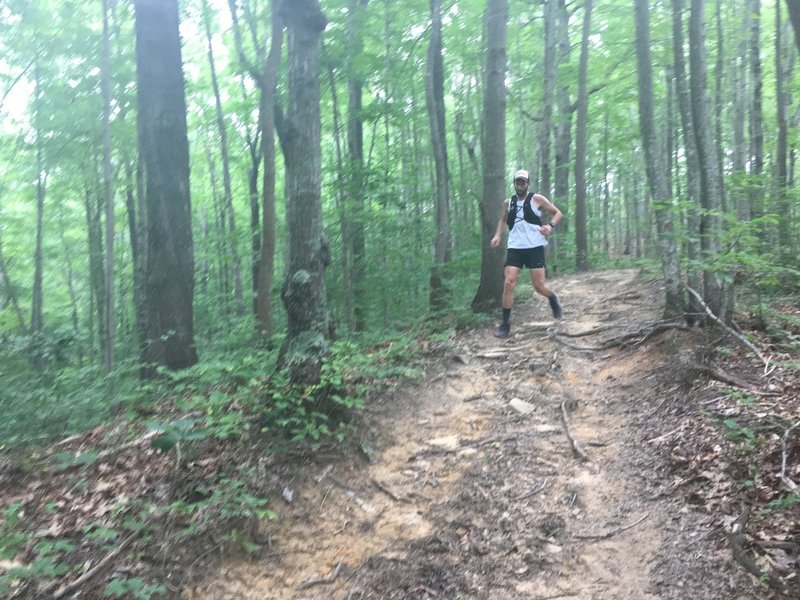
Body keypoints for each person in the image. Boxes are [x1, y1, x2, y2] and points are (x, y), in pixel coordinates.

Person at [490, 169, 563, 338]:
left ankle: (552, 298)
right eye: (517, 182)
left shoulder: (537, 199)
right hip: (515, 247)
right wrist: (497, 235)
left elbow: (558, 213)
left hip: (534, 247)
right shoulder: (508, 203)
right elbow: (502, 219)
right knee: (509, 282)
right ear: (514, 184)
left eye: (523, 182)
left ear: (528, 184)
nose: (520, 185)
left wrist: (550, 226)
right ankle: (505, 325)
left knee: (538, 286)